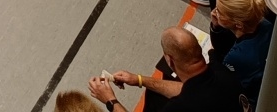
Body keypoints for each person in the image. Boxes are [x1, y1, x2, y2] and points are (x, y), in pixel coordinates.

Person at [90, 25, 242, 111]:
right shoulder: (221, 71)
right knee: (155, 93)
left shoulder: (179, 107)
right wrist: (139, 80)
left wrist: (110, 100)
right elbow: (189, 89)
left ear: (169, 60)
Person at [208, 0, 272, 102]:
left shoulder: (236, 56)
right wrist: (215, 26)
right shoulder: (265, 23)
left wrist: (212, 54)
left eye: (219, 11)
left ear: (238, 25)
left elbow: (225, 78)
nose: (214, 12)